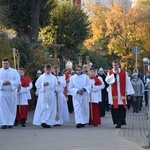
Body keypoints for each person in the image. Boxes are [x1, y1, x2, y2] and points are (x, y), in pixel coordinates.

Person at [105, 60, 134, 128]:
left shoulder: (123, 73)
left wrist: (129, 93)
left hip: (122, 94)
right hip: (113, 94)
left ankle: (121, 121)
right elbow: (108, 81)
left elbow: (127, 83)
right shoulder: (110, 73)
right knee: (114, 109)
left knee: (121, 108)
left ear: (119, 65)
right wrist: (114, 75)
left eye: (116, 65)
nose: (115, 67)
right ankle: (117, 121)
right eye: (114, 65)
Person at [33, 64, 58, 128]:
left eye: (49, 70)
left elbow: (56, 86)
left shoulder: (53, 77)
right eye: (47, 70)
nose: (48, 71)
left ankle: (48, 122)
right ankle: (43, 121)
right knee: (44, 107)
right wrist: (43, 84)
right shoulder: (41, 77)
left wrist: (56, 88)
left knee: (50, 108)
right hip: (43, 94)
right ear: (44, 69)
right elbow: (37, 85)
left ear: (51, 70)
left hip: (51, 94)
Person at [0, 58, 20, 129]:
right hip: (3, 92)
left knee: (12, 108)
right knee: (3, 109)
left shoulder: (14, 71)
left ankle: (10, 122)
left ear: (9, 64)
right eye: (3, 63)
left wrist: (10, 82)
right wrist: (2, 83)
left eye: (6, 63)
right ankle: (4, 123)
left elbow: (17, 80)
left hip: (11, 92)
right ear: (2, 64)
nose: (5, 65)